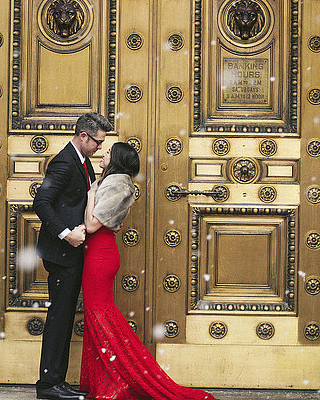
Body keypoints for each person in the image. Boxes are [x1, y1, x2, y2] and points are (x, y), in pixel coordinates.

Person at [80, 142, 218, 400]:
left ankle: (128, 376)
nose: (103, 154)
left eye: (108, 152)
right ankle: (110, 379)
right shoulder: (113, 181)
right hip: (98, 253)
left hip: (100, 255)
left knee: (101, 315)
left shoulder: (117, 183)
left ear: (117, 159)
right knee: (97, 316)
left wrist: (89, 196)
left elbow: (91, 225)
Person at [33, 112, 112, 400]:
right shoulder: (64, 162)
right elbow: (41, 202)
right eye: (97, 142)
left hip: (73, 252)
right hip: (62, 253)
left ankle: (56, 381)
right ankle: (48, 386)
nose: (100, 148)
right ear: (83, 136)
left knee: (65, 317)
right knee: (59, 317)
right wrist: (67, 233)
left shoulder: (82, 161)